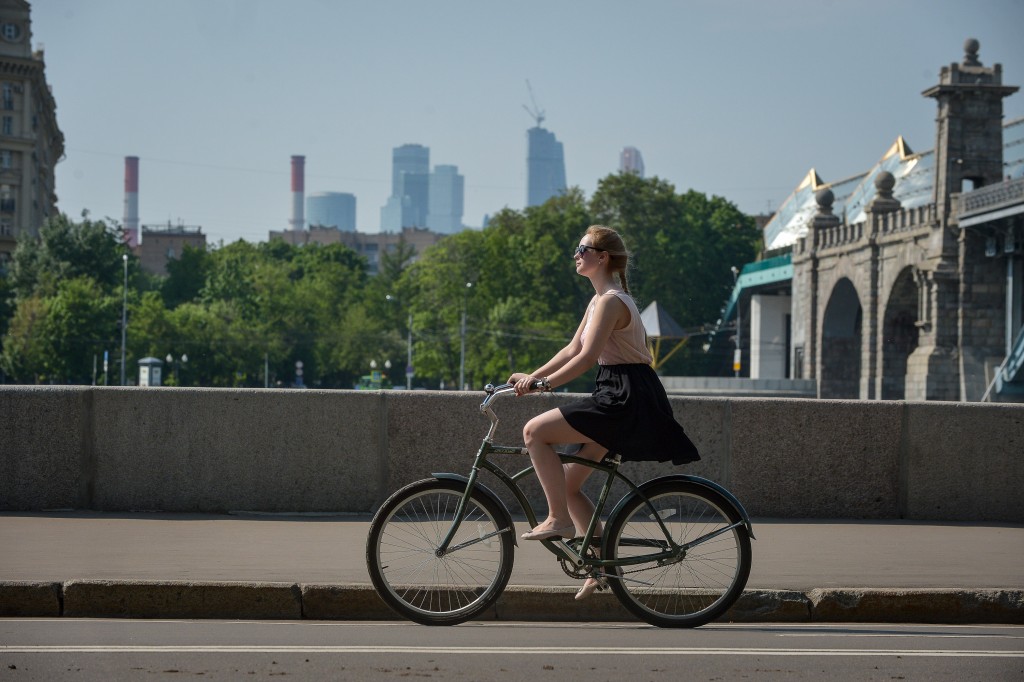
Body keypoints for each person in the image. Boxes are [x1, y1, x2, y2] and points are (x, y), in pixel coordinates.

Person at [507, 225, 700, 600]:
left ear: (602, 257)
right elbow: (569, 349)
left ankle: (558, 520)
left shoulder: (612, 301)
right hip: (620, 391)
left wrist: (544, 387)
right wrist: (534, 375)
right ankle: (598, 566)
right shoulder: (600, 300)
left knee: (534, 432)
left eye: (583, 248)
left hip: (623, 396)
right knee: (567, 484)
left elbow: (587, 357)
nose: (576, 255)